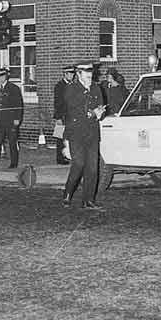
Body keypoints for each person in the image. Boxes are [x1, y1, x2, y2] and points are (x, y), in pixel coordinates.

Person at [61, 61, 106, 210]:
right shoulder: (71, 89)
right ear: (79, 74)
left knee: (92, 168)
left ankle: (89, 200)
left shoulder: (96, 88)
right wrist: (93, 112)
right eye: (87, 74)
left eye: (91, 73)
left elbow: (100, 106)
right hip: (76, 133)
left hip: (92, 132)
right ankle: (68, 192)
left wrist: (100, 112)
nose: (90, 76)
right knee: (79, 164)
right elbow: (75, 110)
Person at [0, 68, 24, 169]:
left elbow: (19, 105)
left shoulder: (13, 88)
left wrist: (17, 119)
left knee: (12, 143)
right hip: (0, 120)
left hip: (11, 120)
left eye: (1, 76)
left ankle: (13, 163)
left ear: (5, 77)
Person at [52, 65, 76, 165]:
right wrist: (58, 117)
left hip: (71, 115)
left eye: (73, 74)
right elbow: (57, 102)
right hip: (62, 115)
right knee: (60, 137)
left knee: (70, 136)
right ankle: (60, 158)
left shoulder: (73, 85)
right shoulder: (59, 86)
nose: (72, 76)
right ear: (65, 74)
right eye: (70, 74)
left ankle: (68, 155)